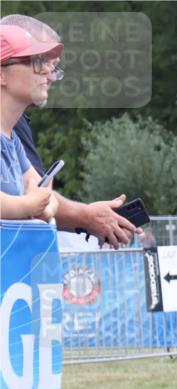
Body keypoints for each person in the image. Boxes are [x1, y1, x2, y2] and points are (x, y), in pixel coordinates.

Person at [1, 16, 135, 246]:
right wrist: (30, 206)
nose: (47, 72)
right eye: (35, 61)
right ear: (1, 74)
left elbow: (43, 193)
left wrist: (41, 204)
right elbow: (38, 199)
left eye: (49, 63)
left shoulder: (11, 139)